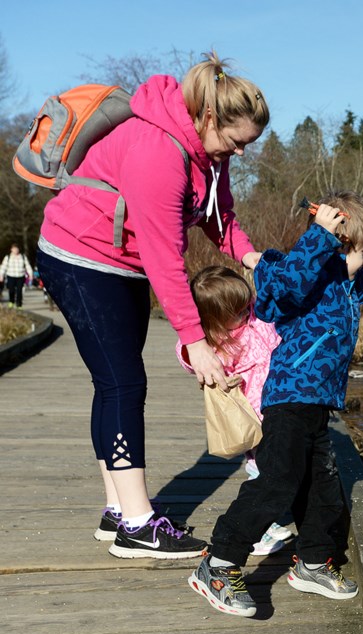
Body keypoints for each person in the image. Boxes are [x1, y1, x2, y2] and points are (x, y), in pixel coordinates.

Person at [36, 51, 269, 559]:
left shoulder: (210, 156)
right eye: (237, 141)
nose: (242, 152)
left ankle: (119, 509)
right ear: (209, 117)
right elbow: (167, 257)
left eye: (249, 144)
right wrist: (195, 340)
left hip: (121, 261)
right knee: (123, 382)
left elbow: (218, 217)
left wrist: (254, 258)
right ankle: (139, 526)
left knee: (114, 382)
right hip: (79, 256)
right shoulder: (158, 150)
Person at [188, 190, 363, 617]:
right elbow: (280, 287)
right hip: (288, 397)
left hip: (318, 404)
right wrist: (320, 238)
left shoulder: (347, 284)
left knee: (324, 491)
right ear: (331, 245)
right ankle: (220, 562)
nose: (358, 263)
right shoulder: (301, 277)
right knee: (277, 482)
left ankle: (313, 562)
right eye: (353, 252)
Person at [175, 265, 292, 555]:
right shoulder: (215, 345)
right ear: (213, 318)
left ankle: (267, 519)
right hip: (250, 416)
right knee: (263, 472)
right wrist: (195, 346)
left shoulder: (255, 319)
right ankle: (257, 530)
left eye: (246, 304)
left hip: (277, 405)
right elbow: (187, 355)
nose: (245, 312)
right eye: (237, 311)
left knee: (274, 467)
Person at [0, 244, 32, 308]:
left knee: (19, 291)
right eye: (14, 249)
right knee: (11, 290)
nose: (16, 250)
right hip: (10, 276)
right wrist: (1, 275)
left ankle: (19, 305)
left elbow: (28, 266)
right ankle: (11, 302)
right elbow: (3, 267)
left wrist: (30, 274)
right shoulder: (8, 257)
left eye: (17, 249)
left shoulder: (23, 256)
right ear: (11, 249)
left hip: (20, 276)